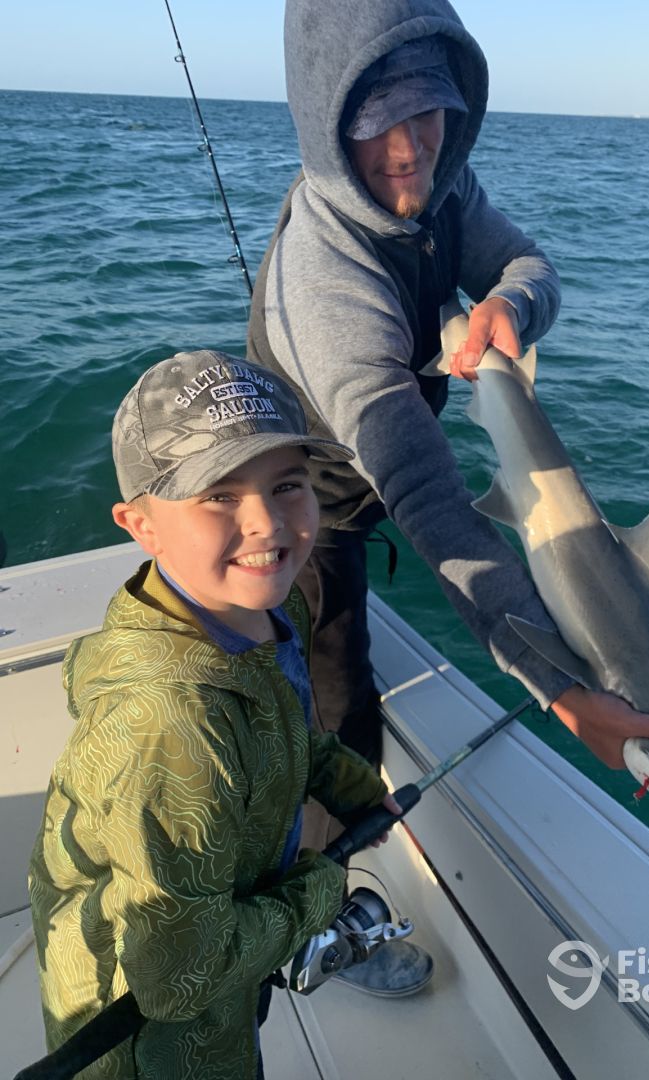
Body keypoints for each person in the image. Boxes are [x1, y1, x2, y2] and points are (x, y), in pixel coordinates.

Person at [247, 0, 649, 994]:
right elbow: (424, 487)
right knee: (337, 709)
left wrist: (507, 305)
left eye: (428, 112)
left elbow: (532, 266)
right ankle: (311, 924)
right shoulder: (324, 276)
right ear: (326, 123)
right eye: (377, 125)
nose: (411, 150)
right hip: (306, 504)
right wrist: (561, 690)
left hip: (377, 474)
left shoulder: (444, 188)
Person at [28, 351, 400, 1080]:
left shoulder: (269, 608)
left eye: (287, 483)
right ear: (141, 525)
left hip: (229, 953)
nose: (266, 522)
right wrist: (321, 887)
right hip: (147, 1034)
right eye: (218, 495)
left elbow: (283, 724)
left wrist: (352, 786)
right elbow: (177, 981)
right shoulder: (171, 727)